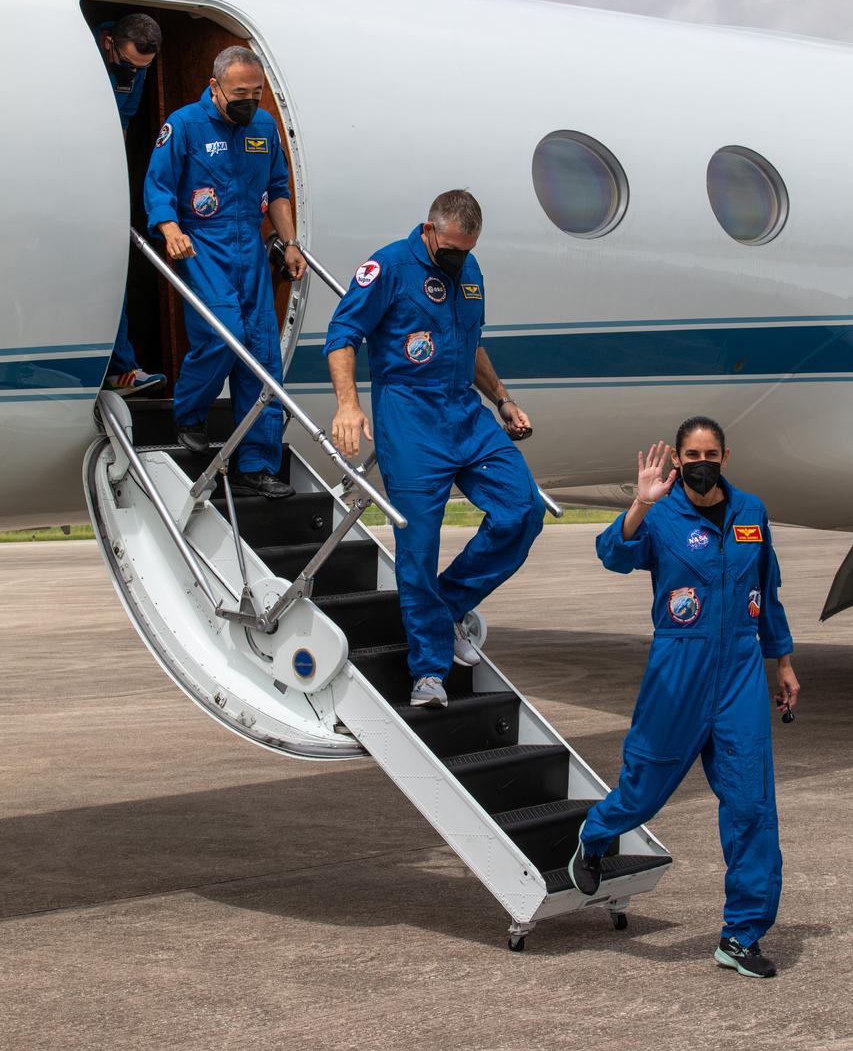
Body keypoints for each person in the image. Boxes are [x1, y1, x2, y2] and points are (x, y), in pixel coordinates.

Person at [568, 417, 800, 980]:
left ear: (725, 455)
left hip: (741, 671)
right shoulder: (662, 512)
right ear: (676, 456)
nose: (701, 461)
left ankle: (741, 936)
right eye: (691, 453)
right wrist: (641, 505)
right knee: (643, 793)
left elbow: (764, 592)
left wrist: (784, 663)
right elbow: (613, 554)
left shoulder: (751, 511)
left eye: (711, 453)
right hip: (678, 669)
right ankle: (594, 837)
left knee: (752, 808)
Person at [324, 189, 545, 708]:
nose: (457, 259)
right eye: (449, 250)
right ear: (429, 230)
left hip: (465, 415)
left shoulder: (470, 273)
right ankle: (428, 672)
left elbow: (472, 347)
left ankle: (446, 607)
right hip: (411, 421)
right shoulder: (389, 267)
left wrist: (503, 400)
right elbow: (342, 334)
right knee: (418, 548)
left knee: (524, 509)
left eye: (466, 251)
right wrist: (348, 406)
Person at [143, 45, 306, 498]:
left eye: (256, 92)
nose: (249, 101)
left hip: (249, 252)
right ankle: (190, 411)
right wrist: (170, 227)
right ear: (215, 87)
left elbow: (277, 189)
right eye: (240, 92)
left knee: (262, 355)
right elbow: (158, 186)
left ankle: (256, 463)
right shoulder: (184, 125)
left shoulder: (264, 126)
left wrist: (290, 243)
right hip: (204, 248)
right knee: (221, 334)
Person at [93, 12, 167, 396]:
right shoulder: (83, 54)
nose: (133, 73)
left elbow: (123, 121)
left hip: (100, 177)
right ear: (109, 43)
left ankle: (121, 367)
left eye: (143, 68)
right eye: (128, 64)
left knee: (112, 271)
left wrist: (112, 178)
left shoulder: (133, 70)